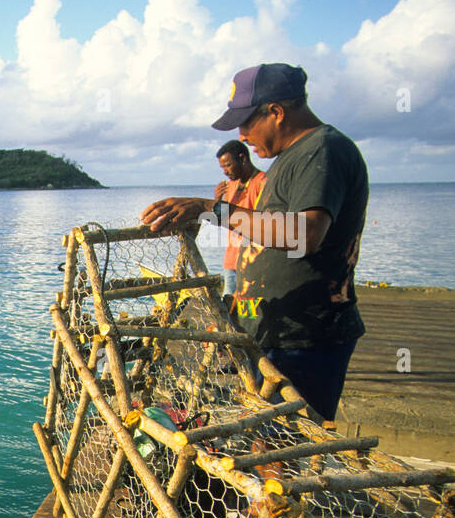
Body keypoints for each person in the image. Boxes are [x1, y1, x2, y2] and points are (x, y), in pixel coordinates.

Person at [140, 63, 368, 422]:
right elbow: (267, 241)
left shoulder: (322, 150)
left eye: (246, 123)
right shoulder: (288, 158)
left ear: (276, 112)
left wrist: (208, 208)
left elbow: (304, 234)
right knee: (264, 447)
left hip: (305, 339)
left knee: (287, 449)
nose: (243, 135)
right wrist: (243, 308)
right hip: (276, 332)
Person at [213, 139, 265, 298]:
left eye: (228, 165)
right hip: (231, 260)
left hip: (252, 261)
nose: (225, 171)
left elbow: (265, 224)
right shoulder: (231, 186)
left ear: (242, 158)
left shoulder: (262, 182)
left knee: (250, 311)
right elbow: (223, 221)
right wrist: (217, 201)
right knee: (229, 308)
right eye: (222, 167)